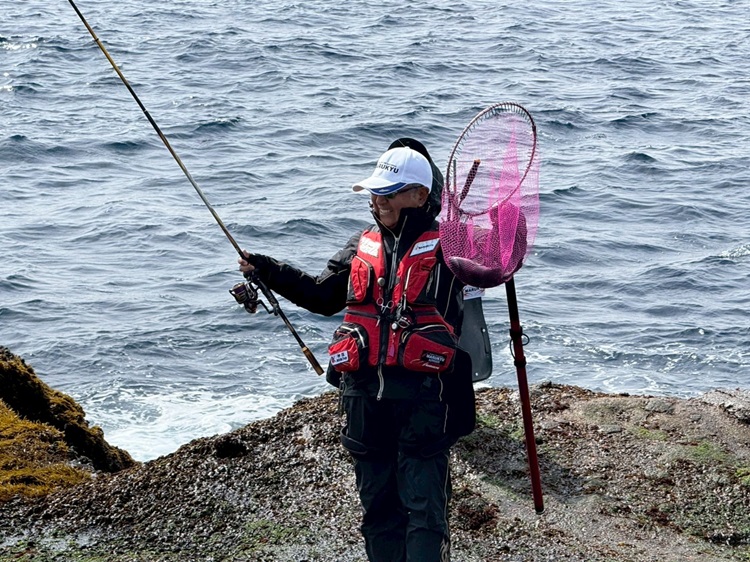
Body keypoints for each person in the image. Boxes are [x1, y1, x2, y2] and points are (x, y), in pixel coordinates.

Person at [238, 138, 476, 562]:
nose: (377, 201)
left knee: (425, 513)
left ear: (419, 195)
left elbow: (498, 264)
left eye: (387, 193)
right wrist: (267, 269)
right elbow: (320, 296)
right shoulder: (360, 245)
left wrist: (505, 228)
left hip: (424, 400)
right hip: (363, 399)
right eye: (373, 192)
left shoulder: (452, 245)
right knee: (378, 512)